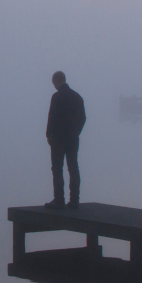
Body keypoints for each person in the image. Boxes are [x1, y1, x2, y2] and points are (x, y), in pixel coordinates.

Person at [45, 71, 86, 209]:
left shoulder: (56, 97)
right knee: (73, 167)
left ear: (56, 82)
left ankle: (59, 200)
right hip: (73, 138)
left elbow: (52, 117)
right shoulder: (77, 97)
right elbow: (83, 118)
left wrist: (48, 135)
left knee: (57, 168)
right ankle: (74, 200)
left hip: (58, 139)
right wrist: (76, 132)